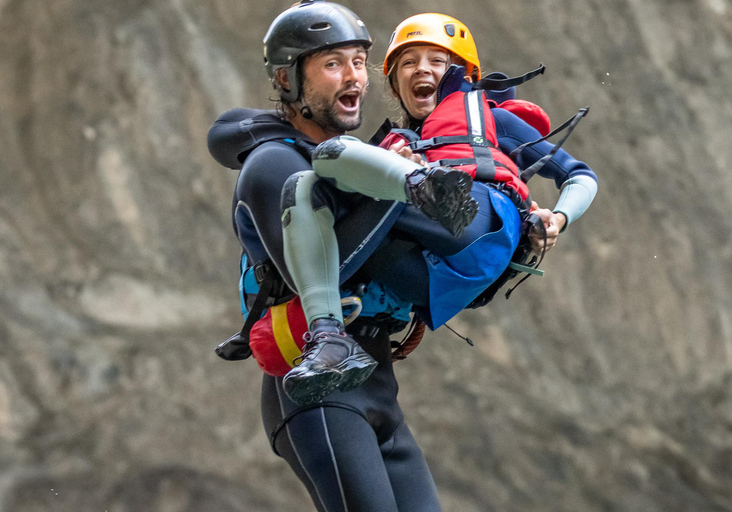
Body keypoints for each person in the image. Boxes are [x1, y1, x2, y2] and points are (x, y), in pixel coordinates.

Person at [207, 4, 597, 510]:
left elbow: (376, 258)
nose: (353, 76)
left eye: (357, 62)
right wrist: (400, 190)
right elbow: (319, 270)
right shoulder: (275, 160)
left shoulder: (360, 157)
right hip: (318, 389)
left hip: (375, 378)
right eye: (332, 64)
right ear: (287, 80)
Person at [278, 12, 598, 405]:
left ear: (460, 75)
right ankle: (328, 337)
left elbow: (580, 175)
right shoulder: (392, 146)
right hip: (427, 280)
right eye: (409, 62)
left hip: (479, 218)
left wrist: (559, 219)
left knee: (331, 154)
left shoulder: (491, 119)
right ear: (395, 84)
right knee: (305, 185)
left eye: (436, 61)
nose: (421, 70)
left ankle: (424, 185)